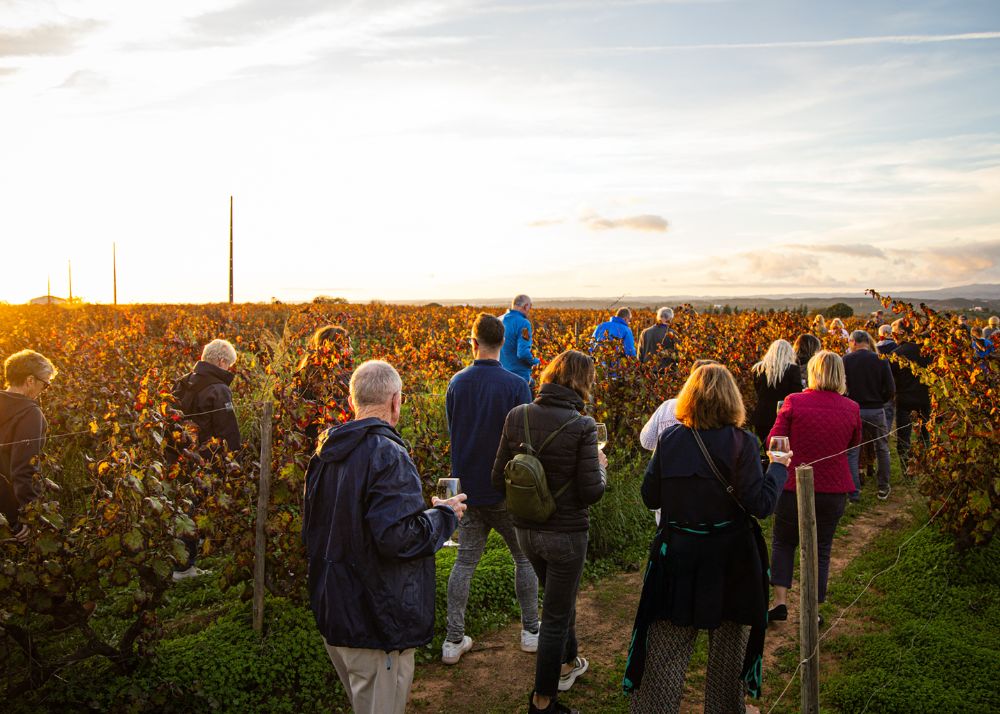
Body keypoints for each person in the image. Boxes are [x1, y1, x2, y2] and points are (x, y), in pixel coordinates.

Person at [624, 364, 789, 714]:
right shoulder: (742, 443)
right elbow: (760, 505)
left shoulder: (670, 439)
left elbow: (650, 497)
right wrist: (778, 467)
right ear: (732, 400)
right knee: (729, 652)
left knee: (667, 649)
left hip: (677, 560)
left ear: (689, 399)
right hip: (732, 563)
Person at [303, 360, 466, 714]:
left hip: (336, 609)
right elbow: (397, 539)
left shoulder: (325, 454)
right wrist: (444, 516)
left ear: (352, 401)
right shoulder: (388, 454)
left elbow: (336, 528)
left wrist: (425, 515)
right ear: (396, 400)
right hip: (375, 619)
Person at [492, 350, 607, 714]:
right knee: (555, 615)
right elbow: (591, 492)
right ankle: (543, 701)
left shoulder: (517, 415)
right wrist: (601, 467)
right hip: (567, 536)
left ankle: (569, 661)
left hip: (527, 532)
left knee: (560, 599)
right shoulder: (582, 426)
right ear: (582, 381)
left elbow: (498, 479)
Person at [442, 313, 539, 664]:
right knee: (522, 557)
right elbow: (524, 441)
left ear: (473, 342)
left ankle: (453, 641)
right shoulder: (516, 385)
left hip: (466, 491)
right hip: (506, 490)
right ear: (503, 344)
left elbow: (454, 433)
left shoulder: (457, 383)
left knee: (464, 563)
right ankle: (531, 632)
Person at [766, 351, 861, 625]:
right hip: (833, 488)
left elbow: (775, 440)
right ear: (841, 375)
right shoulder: (851, 407)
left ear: (813, 372)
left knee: (784, 541)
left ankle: (780, 602)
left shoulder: (794, 402)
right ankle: (813, 610)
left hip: (791, 485)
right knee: (821, 547)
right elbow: (854, 444)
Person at [170, 338, 242, 580]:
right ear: (221, 361)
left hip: (178, 458)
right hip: (204, 461)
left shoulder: (183, 382)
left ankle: (181, 562)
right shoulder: (218, 389)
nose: (229, 370)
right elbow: (227, 431)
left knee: (182, 509)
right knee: (194, 510)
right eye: (229, 365)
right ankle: (184, 568)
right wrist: (234, 460)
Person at [0, 350, 57, 544]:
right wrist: (30, 518)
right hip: (8, 509)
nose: (45, 389)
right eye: (45, 384)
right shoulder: (30, 414)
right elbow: (24, 470)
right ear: (30, 380)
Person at [843, 330, 895, 500]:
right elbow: (890, 388)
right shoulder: (880, 359)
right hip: (876, 410)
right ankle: (883, 487)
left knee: (852, 451)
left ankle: (854, 492)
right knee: (882, 447)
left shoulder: (846, 360)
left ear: (854, 342)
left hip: (854, 410)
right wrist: (880, 400)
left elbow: (842, 387)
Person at [294, 325, 352, 444]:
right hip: (329, 440)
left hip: (314, 439)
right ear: (332, 346)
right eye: (347, 345)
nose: (351, 349)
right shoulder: (330, 375)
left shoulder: (306, 369)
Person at [890, 320, 931, 476]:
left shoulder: (897, 353)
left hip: (904, 399)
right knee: (925, 433)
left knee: (903, 437)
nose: (892, 337)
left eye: (894, 333)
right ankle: (926, 465)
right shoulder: (927, 351)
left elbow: (891, 379)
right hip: (924, 398)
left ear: (902, 332)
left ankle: (907, 470)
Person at [750, 340, 801, 443]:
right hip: (783, 416)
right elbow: (797, 393)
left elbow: (757, 390)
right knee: (781, 450)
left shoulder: (758, 369)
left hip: (762, 416)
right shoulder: (793, 370)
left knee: (767, 449)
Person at [501, 294, 542, 384]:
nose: (530, 310)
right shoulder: (523, 323)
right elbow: (522, 354)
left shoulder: (499, 320)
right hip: (519, 376)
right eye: (530, 306)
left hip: (499, 375)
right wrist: (536, 361)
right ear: (526, 306)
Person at [875, 324, 898, 433]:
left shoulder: (874, 349)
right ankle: (884, 437)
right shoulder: (897, 348)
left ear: (880, 336)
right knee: (888, 415)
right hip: (891, 387)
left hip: (876, 388)